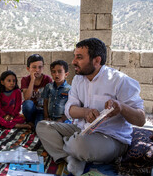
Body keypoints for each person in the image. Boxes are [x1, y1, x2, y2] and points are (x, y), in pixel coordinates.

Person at [36, 38, 145, 176]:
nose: (74, 61)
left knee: (79, 144)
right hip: (82, 130)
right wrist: (85, 112)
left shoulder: (120, 80)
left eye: (79, 57)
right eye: (75, 56)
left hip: (111, 138)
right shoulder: (78, 79)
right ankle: (70, 157)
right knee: (42, 126)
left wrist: (121, 107)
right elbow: (69, 109)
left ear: (97, 60)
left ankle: (71, 147)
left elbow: (141, 119)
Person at [21, 54, 52, 127]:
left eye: (40, 67)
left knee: (39, 127)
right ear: (28, 69)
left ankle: (34, 122)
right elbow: (27, 98)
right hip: (31, 109)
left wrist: (46, 115)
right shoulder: (25, 80)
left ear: (43, 68)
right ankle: (30, 120)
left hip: (42, 109)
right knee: (27, 104)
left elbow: (49, 99)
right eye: (34, 67)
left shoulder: (47, 79)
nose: (37, 70)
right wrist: (32, 80)